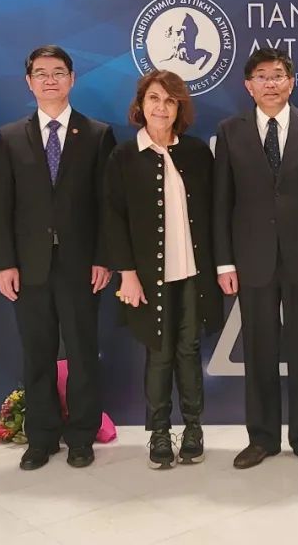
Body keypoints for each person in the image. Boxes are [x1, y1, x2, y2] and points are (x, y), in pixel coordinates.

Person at [213, 47, 298, 471]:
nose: (271, 83)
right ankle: (262, 438)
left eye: (278, 75)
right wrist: (225, 262)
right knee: (259, 351)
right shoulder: (230, 131)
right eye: (262, 76)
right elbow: (222, 202)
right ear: (248, 86)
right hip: (252, 259)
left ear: (292, 81)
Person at [0, 45, 115, 470]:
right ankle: (41, 438)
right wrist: (5, 262)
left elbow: (107, 205)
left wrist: (103, 257)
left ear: (72, 79)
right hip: (30, 266)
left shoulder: (97, 134)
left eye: (58, 72)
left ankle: (81, 436)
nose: (49, 80)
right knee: (37, 353)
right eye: (40, 73)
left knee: (82, 352)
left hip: (81, 265)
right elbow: (1, 207)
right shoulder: (10, 137)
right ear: (29, 82)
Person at [103, 71, 223, 469]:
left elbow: (213, 212)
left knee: (189, 349)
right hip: (147, 277)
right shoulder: (124, 156)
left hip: (192, 272)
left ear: (179, 108)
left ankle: (193, 428)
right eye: (154, 98)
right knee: (158, 351)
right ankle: (158, 432)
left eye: (170, 101)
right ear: (141, 105)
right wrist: (127, 273)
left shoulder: (196, 153)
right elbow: (113, 218)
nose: (161, 107)